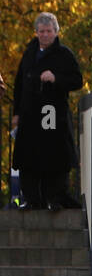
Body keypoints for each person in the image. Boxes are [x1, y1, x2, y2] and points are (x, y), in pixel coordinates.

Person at [10, 13, 83, 211]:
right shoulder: (28, 53)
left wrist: (56, 78)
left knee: (55, 155)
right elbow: (19, 84)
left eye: (49, 31)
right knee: (28, 156)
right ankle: (32, 199)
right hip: (29, 114)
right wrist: (16, 113)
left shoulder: (64, 54)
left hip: (53, 115)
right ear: (36, 32)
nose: (45, 35)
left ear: (56, 31)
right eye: (41, 31)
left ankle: (55, 199)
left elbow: (77, 81)